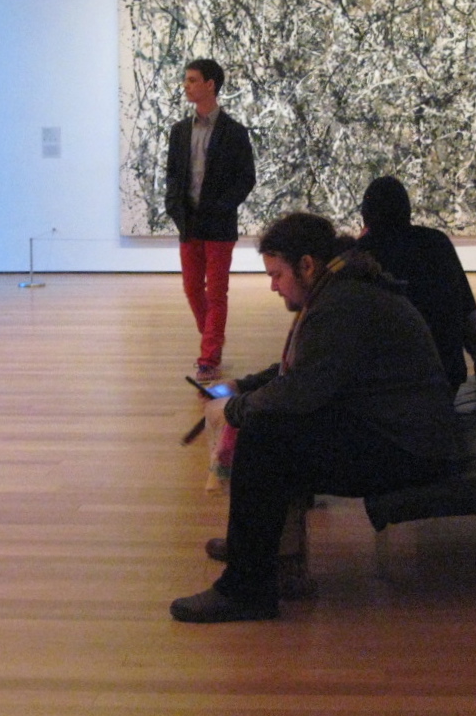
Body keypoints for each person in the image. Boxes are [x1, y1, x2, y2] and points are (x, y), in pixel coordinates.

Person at [170, 212, 459, 623]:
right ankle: (254, 549)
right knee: (271, 423)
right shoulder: (341, 288)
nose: (273, 286)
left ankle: (247, 588)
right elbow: (308, 369)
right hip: (402, 432)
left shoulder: (342, 303)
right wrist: (241, 386)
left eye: (277, 275)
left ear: (307, 264)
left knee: (265, 436)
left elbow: (303, 388)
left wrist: (234, 408)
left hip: (410, 449)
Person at [164, 59, 256, 382]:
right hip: (189, 223)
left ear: (210, 85)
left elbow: (246, 178)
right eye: (186, 80)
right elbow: (173, 175)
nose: (186, 85)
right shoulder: (179, 131)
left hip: (219, 225)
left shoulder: (234, 132)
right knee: (192, 289)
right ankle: (212, 338)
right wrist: (174, 207)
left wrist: (222, 207)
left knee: (216, 293)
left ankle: (209, 357)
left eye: (192, 80)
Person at [356, 175, 476, 387]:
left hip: (383, 387)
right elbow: (471, 320)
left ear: (365, 215)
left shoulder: (359, 254)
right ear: (407, 210)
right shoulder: (437, 244)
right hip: (444, 380)